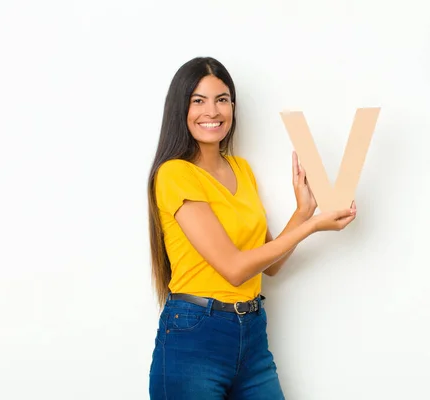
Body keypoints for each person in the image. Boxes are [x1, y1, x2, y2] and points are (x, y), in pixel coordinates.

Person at [146, 56, 357, 399]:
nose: (212, 111)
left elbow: (268, 264)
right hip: (195, 335)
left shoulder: (240, 169)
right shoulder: (175, 174)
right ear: (179, 109)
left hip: (252, 334)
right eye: (198, 100)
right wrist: (314, 226)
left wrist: (303, 213)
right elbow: (233, 268)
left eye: (222, 99)